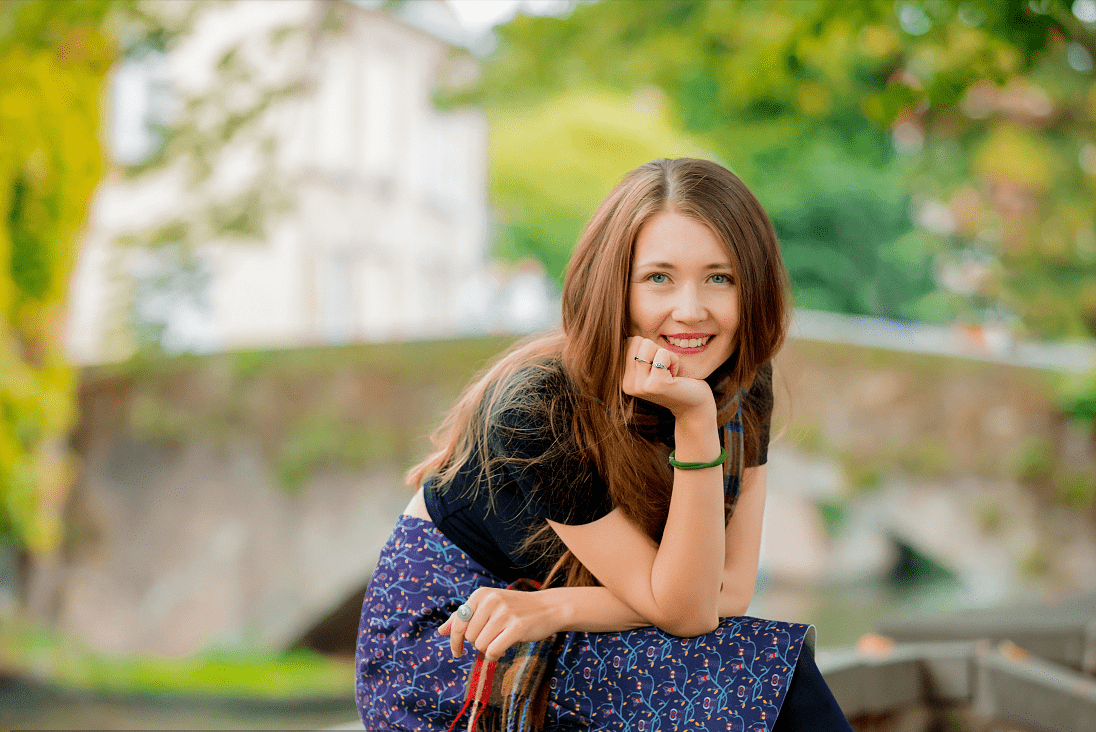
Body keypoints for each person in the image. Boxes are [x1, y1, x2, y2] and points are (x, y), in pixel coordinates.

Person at [355, 158, 852, 731]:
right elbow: (687, 611)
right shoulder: (538, 407)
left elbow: (726, 593)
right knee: (767, 673)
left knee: (766, 668)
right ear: (614, 286)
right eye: (658, 278)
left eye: (721, 277)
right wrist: (695, 421)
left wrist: (556, 607)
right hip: (459, 641)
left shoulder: (741, 380)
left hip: (557, 613)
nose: (690, 311)